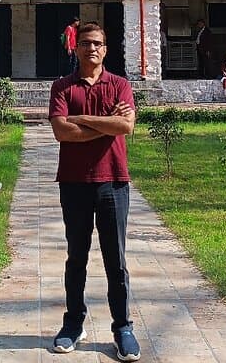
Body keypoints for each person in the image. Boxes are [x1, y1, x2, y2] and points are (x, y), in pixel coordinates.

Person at [48, 22, 140, 361]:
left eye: (98, 43)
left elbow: (126, 126)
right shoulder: (62, 87)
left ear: (106, 49)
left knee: (116, 260)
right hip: (74, 183)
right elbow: (62, 132)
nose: (92, 49)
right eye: (86, 43)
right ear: (76, 47)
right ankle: (73, 324)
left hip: (113, 182)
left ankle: (123, 327)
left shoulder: (120, 85)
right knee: (77, 258)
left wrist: (82, 119)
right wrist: (104, 124)